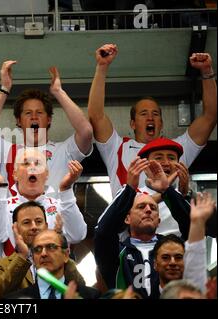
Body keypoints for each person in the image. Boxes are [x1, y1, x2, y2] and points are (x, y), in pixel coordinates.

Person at [87, 44, 217, 197]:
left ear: (161, 123)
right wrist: (102, 67)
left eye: (155, 114)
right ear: (132, 124)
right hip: (130, 219)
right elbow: (96, 115)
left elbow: (210, 116)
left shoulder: (176, 149)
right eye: (143, 114)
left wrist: (207, 71)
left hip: (170, 220)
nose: (150, 117)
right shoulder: (117, 147)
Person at [0, 62, 93, 197]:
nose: (34, 117)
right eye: (28, 113)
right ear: (18, 121)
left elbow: (86, 132)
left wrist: (58, 92)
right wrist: (5, 89)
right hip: (17, 218)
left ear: (49, 119)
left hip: (55, 218)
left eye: (39, 112)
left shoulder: (64, 151)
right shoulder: (8, 151)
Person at [94, 158, 191, 298]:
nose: (148, 210)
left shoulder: (174, 250)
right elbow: (102, 232)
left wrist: (167, 191)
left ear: (158, 221)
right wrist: (129, 190)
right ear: (127, 218)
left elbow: (193, 225)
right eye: (141, 207)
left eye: (153, 207)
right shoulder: (117, 253)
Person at [0, 148, 87, 258]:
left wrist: (66, 190)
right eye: (26, 163)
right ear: (15, 174)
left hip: (53, 275)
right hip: (14, 274)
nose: (32, 167)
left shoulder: (61, 205)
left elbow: (77, 236)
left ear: (46, 174)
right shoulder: (2, 205)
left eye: (38, 163)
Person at [0, 201, 86, 299]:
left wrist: (59, 246)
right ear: (15, 228)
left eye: (38, 221)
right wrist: (22, 256)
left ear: (46, 226)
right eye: (26, 222)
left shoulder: (57, 258)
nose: (34, 227)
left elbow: (81, 288)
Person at [137, 137, 217, 238]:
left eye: (171, 158)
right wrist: (165, 192)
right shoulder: (133, 195)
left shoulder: (190, 196)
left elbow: (214, 229)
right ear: (145, 166)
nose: (166, 163)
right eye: (158, 158)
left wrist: (187, 194)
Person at [6, 229, 99, 299]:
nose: (43, 254)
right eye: (37, 249)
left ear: (66, 255)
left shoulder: (91, 296)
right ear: (33, 259)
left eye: (51, 247)